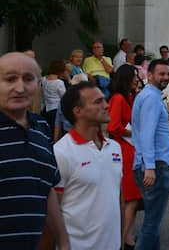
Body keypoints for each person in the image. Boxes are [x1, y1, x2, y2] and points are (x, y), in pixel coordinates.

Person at [0, 52, 70, 249]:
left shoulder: (41, 127)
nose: (20, 88)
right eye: (10, 79)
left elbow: (45, 186)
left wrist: (63, 240)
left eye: (28, 79)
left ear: (39, 84)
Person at [54, 81, 123, 250]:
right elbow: (52, 211)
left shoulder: (114, 147)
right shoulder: (61, 152)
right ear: (77, 111)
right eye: (98, 102)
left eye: (104, 100)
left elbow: (118, 197)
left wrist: (120, 241)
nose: (106, 105)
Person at [131, 58, 169, 250]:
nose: (165, 78)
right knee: (152, 222)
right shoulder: (150, 98)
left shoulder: (151, 96)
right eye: (161, 74)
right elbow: (146, 134)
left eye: (167, 74)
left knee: (152, 220)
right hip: (154, 164)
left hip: (152, 163)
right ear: (149, 76)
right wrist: (149, 166)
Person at [107, 64, 142, 249]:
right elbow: (113, 127)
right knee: (131, 198)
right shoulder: (119, 99)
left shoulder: (127, 97)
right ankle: (122, 239)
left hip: (129, 148)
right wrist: (132, 132)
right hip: (124, 149)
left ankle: (127, 237)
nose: (137, 79)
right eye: (134, 76)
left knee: (133, 197)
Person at [43, 59, 68, 132]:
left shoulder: (43, 79)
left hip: (46, 108)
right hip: (56, 109)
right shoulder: (59, 82)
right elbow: (64, 97)